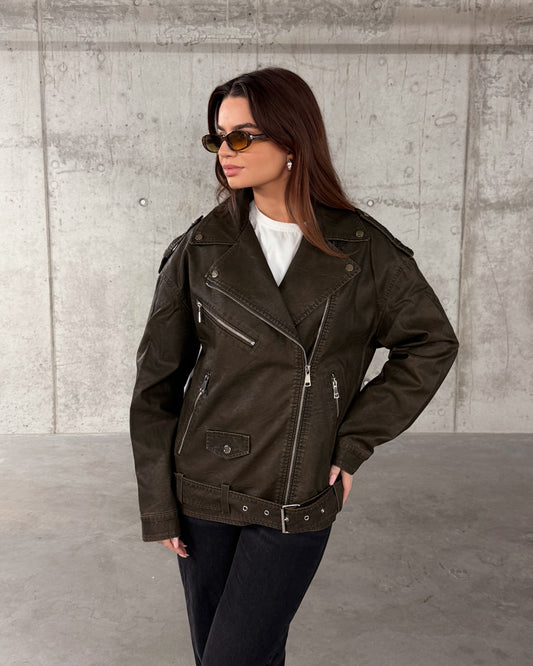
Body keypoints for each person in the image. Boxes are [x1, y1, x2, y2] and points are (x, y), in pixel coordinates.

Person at [130, 67, 459, 666]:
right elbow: (156, 383)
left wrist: (353, 444)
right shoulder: (200, 248)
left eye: (241, 136)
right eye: (218, 137)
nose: (225, 152)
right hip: (203, 485)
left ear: (292, 142)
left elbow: (430, 343)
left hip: (298, 487)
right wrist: (158, 500)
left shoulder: (364, 250)